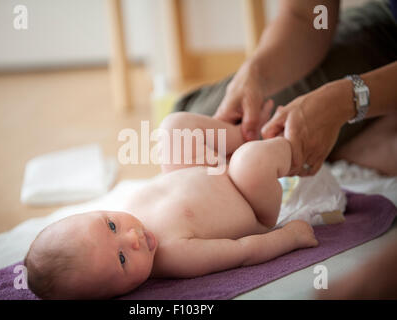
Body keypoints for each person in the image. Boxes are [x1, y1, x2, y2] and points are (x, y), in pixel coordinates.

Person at [24, 112, 319, 299]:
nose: (132, 238)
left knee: (173, 128)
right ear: (117, 293)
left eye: (111, 225)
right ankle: (299, 146)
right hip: (250, 198)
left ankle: (246, 133)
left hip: (211, 170)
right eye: (122, 259)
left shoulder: (128, 209)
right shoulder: (175, 256)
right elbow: (243, 252)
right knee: (251, 163)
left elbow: (175, 182)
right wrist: (289, 237)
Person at [174, 0, 397, 177]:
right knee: (187, 131)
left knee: (260, 155)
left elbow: (266, 221)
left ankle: (354, 140)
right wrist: (255, 73)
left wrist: (346, 100)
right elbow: (306, 15)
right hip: (389, 25)